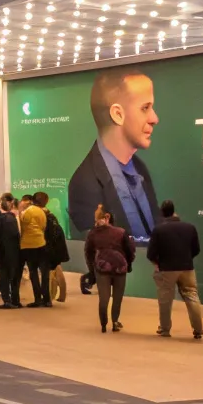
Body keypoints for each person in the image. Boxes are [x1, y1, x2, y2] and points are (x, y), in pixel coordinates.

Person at [68, 68, 160, 242]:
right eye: (145, 108)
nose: (154, 118)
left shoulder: (141, 170)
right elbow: (94, 248)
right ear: (118, 114)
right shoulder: (85, 184)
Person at [147, 199, 203, 339]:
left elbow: (151, 254)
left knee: (165, 299)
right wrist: (186, 259)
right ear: (174, 211)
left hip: (166, 269)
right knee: (192, 296)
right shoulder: (190, 227)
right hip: (187, 268)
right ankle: (198, 330)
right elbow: (196, 249)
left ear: (162, 213)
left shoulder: (158, 230)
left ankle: (165, 329)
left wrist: (157, 263)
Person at [83, 205, 136, 333]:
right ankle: (115, 322)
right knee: (117, 297)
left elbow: (88, 253)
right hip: (120, 268)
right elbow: (130, 250)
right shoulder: (121, 232)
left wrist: (92, 269)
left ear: (105, 217)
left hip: (102, 268)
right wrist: (128, 264)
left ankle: (103, 324)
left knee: (104, 297)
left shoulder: (92, 233)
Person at [0, 195, 23, 309]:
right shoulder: (11, 219)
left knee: (6, 275)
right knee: (12, 276)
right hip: (13, 252)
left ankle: (9, 300)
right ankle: (13, 300)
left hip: (4, 252)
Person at [18, 192, 53, 307]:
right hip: (41, 243)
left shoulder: (27, 212)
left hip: (27, 245)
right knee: (44, 273)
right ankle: (47, 299)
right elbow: (43, 227)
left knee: (33, 273)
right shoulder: (42, 212)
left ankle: (37, 299)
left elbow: (21, 226)